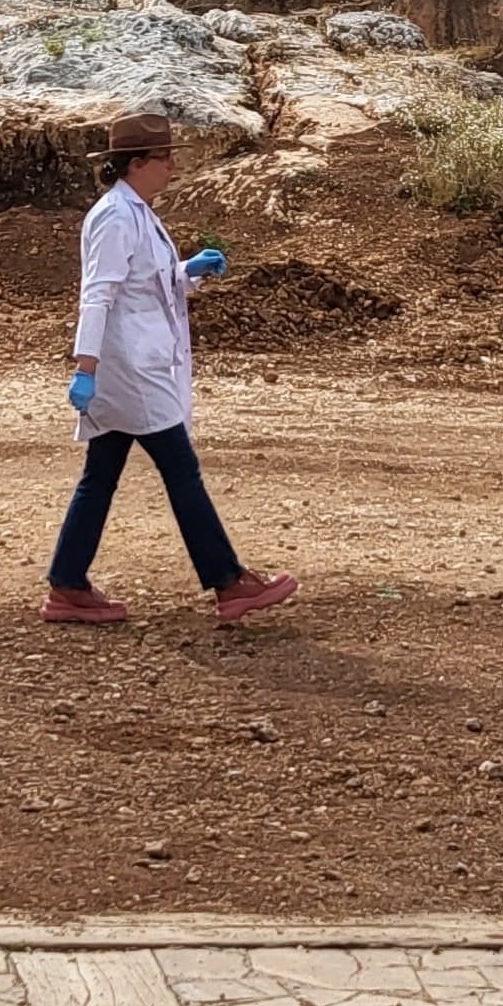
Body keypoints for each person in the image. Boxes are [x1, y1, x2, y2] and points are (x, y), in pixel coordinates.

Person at [45, 113, 299, 625]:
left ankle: (67, 584)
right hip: (132, 370)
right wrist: (85, 366)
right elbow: (98, 295)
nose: (172, 166)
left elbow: (147, 284)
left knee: (102, 474)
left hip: (136, 366)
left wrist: (187, 272)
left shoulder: (135, 212)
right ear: (136, 164)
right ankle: (228, 582)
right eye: (164, 158)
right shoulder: (116, 216)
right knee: (180, 472)